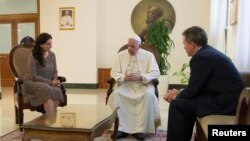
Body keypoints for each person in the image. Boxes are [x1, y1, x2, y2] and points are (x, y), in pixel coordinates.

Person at [164, 26, 245, 141]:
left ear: (192, 44)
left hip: (226, 103)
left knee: (178, 105)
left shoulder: (202, 57)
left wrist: (176, 96)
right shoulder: (207, 52)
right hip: (224, 98)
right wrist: (180, 93)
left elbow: (193, 89)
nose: (184, 47)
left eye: (184, 43)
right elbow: (198, 86)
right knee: (180, 102)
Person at [108, 35, 160, 140]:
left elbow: (156, 72)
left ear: (139, 46)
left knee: (148, 95)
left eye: (133, 46)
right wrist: (123, 77)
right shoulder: (120, 55)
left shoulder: (148, 56)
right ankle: (122, 128)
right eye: (128, 46)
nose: (130, 49)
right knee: (117, 94)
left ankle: (139, 130)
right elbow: (114, 72)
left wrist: (141, 77)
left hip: (143, 85)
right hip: (125, 85)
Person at [23, 33, 64, 113]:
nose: (51, 46)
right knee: (47, 88)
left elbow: (55, 71)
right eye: (48, 44)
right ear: (41, 45)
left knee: (57, 90)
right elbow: (34, 76)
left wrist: (55, 81)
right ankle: (49, 119)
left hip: (49, 83)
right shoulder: (33, 57)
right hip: (33, 82)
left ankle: (50, 120)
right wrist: (51, 82)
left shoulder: (52, 55)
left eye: (51, 43)